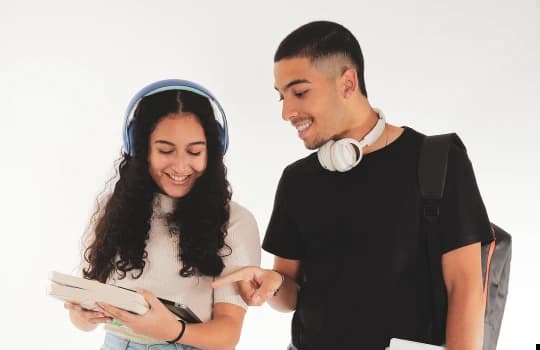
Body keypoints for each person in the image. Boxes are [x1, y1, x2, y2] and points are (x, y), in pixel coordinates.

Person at [212, 21, 493, 350]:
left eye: (300, 92)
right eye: (282, 97)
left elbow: (467, 289)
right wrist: (273, 285)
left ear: (347, 83)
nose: (287, 112)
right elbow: (289, 294)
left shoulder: (438, 162)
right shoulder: (298, 180)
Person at [64, 79, 261, 350]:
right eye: (165, 150)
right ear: (141, 149)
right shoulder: (113, 208)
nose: (180, 166)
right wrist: (82, 316)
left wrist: (173, 330)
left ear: (212, 152)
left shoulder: (235, 222)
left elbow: (228, 335)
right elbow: (85, 317)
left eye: (194, 151)